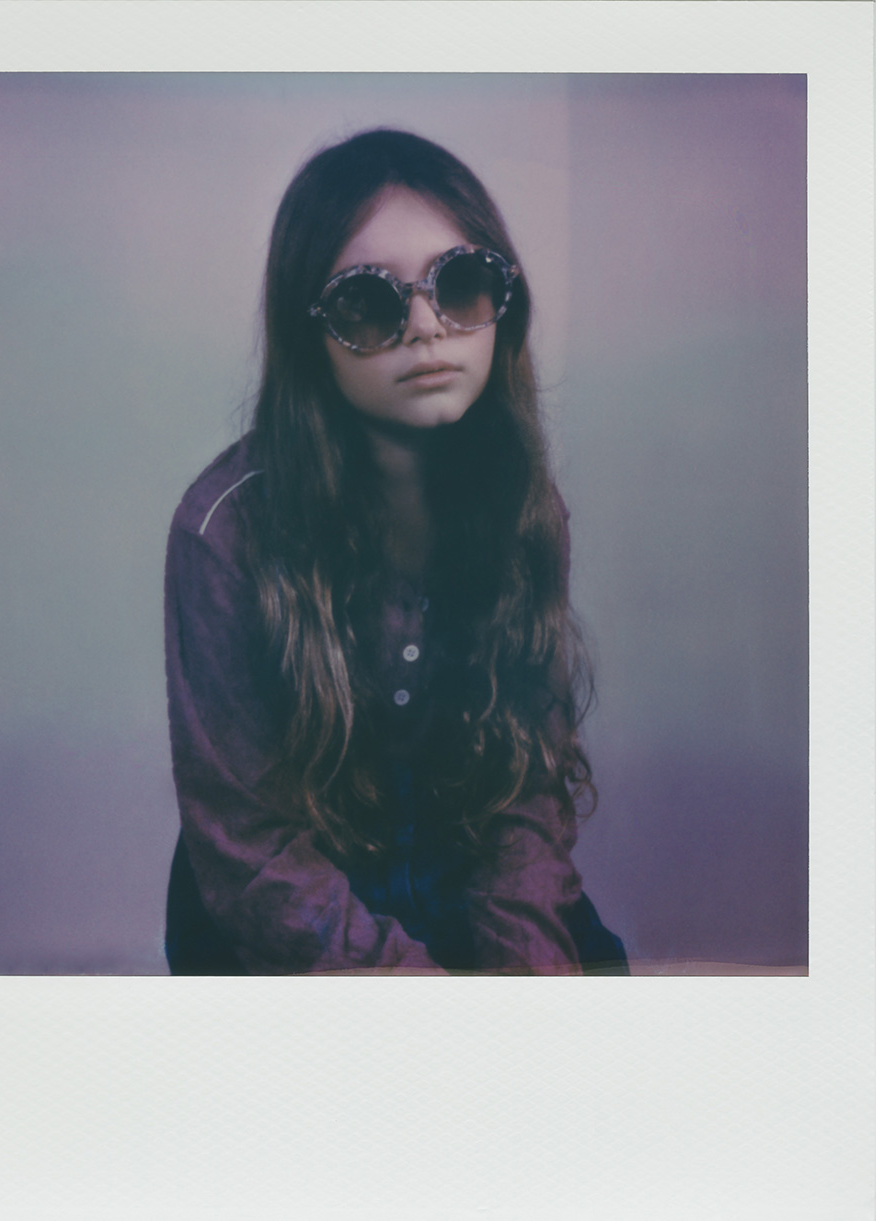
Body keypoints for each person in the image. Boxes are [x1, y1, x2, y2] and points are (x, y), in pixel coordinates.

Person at [163, 129, 628, 975]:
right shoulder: (223, 530)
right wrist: (423, 1006)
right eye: (367, 303)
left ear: (503, 304)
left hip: (464, 881)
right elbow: (251, 849)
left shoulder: (525, 508)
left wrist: (523, 990)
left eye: (461, 283)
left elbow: (524, 803)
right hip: (288, 914)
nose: (425, 327)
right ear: (310, 333)